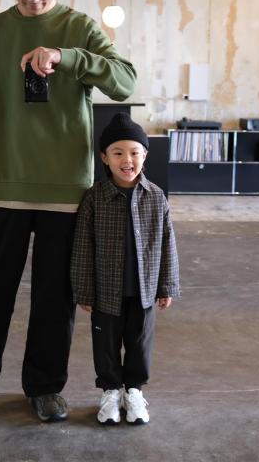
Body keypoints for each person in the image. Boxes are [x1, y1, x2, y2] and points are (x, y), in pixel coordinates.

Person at [0, 0, 137, 421]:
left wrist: (67, 57)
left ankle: (45, 386)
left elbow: (126, 80)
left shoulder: (78, 27)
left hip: (65, 189)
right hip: (4, 184)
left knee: (56, 296)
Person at [70, 112, 180, 425]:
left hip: (143, 291)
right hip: (106, 291)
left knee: (139, 343)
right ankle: (110, 391)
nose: (127, 160)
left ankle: (134, 391)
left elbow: (168, 243)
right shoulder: (95, 198)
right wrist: (84, 290)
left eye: (134, 152)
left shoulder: (155, 197)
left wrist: (166, 286)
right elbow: (82, 247)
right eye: (118, 153)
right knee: (105, 344)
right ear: (104, 158)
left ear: (145, 155)